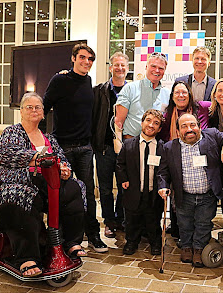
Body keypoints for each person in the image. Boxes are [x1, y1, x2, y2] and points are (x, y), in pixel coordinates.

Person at [0, 93, 86, 277]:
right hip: (6, 184)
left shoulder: (49, 138)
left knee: (75, 187)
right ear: (21, 112)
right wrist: (37, 158)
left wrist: (65, 170)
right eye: (29, 107)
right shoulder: (12, 132)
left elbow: (62, 160)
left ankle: (71, 243)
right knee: (24, 196)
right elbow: (4, 154)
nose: (34, 110)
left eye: (38, 107)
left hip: (43, 184)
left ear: (43, 113)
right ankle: (27, 257)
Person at [43, 43, 108, 253]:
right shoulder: (59, 80)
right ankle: (64, 239)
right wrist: (43, 141)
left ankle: (93, 236)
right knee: (65, 194)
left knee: (88, 194)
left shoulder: (88, 81)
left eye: (90, 59)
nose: (86, 62)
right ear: (73, 58)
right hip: (62, 148)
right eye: (82, 57)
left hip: (85, 149)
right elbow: (43, 108)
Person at [158, 113, 223, 267]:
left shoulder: (211, 136)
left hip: (207, 195)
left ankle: (199, 249)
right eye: (184, 126)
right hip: (183, 195)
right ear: (178, 131)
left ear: (199, 126)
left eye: (192, 125)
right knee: (184, 223)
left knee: (204, 223)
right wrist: (163, 186)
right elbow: (163, 172)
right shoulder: (169, 147)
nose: (189, 129)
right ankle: (186, 246)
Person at [116, 109, 165, 256]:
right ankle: (131, 241)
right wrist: (123, 178)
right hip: (133, 191)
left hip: (152, 192)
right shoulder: (129, 144)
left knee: (153, 219)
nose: (151, 125)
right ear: (142, 122)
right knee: (132, 219)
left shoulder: (162, 147)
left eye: (156, 123)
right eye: (148, 121)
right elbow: (120, 163)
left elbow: (164, 169)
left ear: (160, 128)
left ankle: (155, 242)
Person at [92, 52, 128, 238]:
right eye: (116, 65)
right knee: (105, 188)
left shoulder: (132, 90)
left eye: (123, 65)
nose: (119, 68)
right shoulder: (99, 90)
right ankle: (109, 221)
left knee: (124, 185)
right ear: (110, 67)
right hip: (104, 147)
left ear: (127, 69)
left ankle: (121, 219)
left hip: (125, 148)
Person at [115, 52, 170, 139]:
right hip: (131, 144)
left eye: (161, 68)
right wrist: (119, 146)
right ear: (146, 66)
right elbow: (118, 122)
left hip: (156, 146)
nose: (157, 71)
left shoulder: (167, 94)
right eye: (153, 66)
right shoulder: (130, 88)